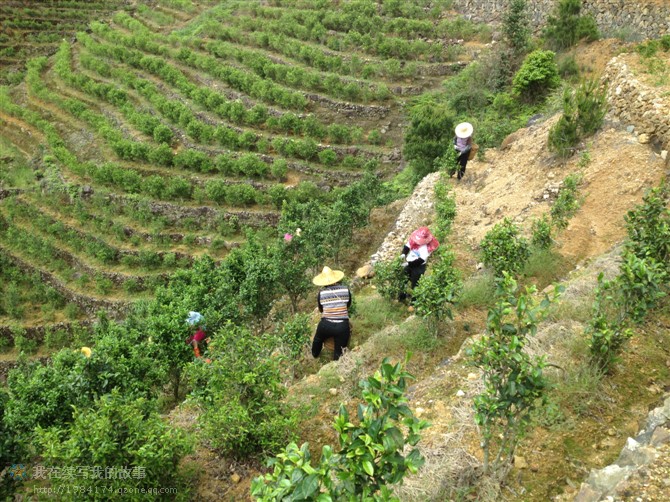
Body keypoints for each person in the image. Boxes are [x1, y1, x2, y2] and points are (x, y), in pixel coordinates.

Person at [311, 266, 351, 361]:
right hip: (342, 326)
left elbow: (321, 309)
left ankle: (315, 354)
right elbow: (348, 305)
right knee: (340, 351)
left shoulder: (322, 293)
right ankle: (336, 363)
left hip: (326, 325)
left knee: (318, 339)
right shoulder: (346, 290)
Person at [399, 227, 439, 300]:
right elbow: (407, 247)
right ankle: (401, 297)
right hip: (409, 261)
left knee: (415, 285)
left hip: (418, 267)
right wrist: (403, 254)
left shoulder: (426, 248)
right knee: (403, 279)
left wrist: (408, 264)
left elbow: (420, 260)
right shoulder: (414, 240)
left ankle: (414, 302)